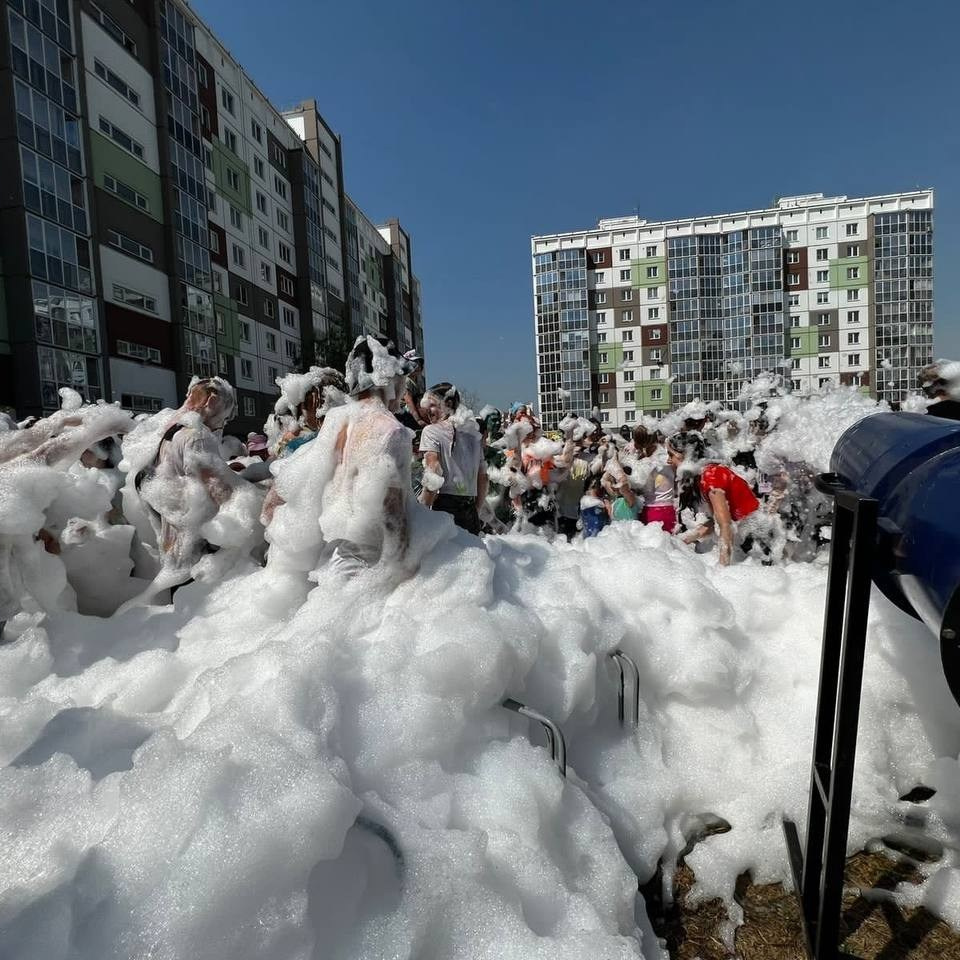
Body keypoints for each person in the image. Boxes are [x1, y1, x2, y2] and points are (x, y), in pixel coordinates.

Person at [136, 377, 239, 586]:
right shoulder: (197, 435)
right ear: (211, 402)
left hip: (172, 542)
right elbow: (216, 488)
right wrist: (249, 505)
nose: (224, 423)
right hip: (196, 549)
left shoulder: (171, 432)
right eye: (225, 416)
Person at [667, 432, 758, 565]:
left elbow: (726, 525)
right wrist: (685, 539)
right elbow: (717, 521)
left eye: (671, 455)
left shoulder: (711, 476)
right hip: (748, 537)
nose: (668, 460)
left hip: (758, 539)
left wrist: (722, 567)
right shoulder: (704, 474)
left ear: (684, 455)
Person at [418, 382, 487, 535]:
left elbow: (434, 471)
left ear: (448, 404)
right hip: (470, 513)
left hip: (444, 509)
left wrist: (422, 510)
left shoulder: (431, 431)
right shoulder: (474, 435)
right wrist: (476, 508)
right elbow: (483, 477)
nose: (427, 411)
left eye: (432, 405)